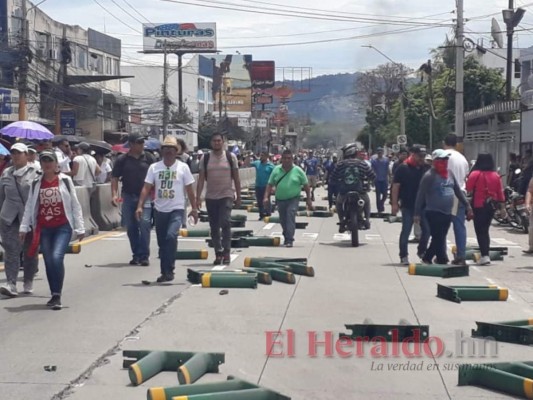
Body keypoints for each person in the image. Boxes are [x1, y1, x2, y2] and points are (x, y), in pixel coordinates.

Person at [19, 150, 85, 310]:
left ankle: (58, 294)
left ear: (56, 164)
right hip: (44, 228)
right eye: (44, 161)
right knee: (48, 261)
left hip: (63, 226)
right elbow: (30, 206)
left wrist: (80, 227)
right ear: (41, 164)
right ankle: (54, 294)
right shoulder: (36, 183)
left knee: (56, 257)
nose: (47, 163)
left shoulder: (66, 181)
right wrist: (23, 227)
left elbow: (75, 205)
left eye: (50, 160)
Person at [136, 136, 198, 282]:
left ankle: (170, 270)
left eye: (172, 149)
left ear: (176, 151)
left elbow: (190, 190)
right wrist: (139, 206)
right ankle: (165, 272)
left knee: (171, 236)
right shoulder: (154, 168)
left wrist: (194, 208)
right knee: (162, 243)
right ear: (162, 151)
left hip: (176, 209)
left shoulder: (183, 167)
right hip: (159, 210)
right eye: (166, 149)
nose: (169, 152)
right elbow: (146, 187)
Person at [414, 149, 473, 265]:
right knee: (438, 236)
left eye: (446, 159)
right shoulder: (429, 176)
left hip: (447, 212)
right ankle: (427, 257)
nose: (444, 162)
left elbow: (457, 191)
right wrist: (416, 214)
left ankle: (441, 258)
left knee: (441, 235)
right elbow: (420, 195)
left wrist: (467, 205)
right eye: (442, 160)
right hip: (433, 211)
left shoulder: (450, 173)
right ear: (435, 161)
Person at [0, 143, 40, 297]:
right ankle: (11, 283)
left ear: (27, 155)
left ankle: (28, 280)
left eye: (19, 153)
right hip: (9, 218)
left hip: (29, 219)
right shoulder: (6, 174)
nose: (16, 156)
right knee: (11, 251)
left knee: (30, 252)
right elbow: (1, 197)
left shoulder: (36, 173)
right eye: (13, 153)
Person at [196, 133, 241, 265]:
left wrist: (238, 196)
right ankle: (218, 252)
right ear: (211, 143)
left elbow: (237, 178)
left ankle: (227, 252)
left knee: (225, 222)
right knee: (214, 227)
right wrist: (198, 198)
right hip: (211, 197)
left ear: (223, 142)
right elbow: (200, 180)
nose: (217, 143)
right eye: (214, 141)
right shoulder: (205, 158)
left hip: (226, 195)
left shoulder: (230, 157)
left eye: (219, 141)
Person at [111, 133, 155, 266]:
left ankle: (144, 255)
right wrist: (114, 195)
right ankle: (136, 254)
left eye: (142, 142)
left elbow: (156, 176)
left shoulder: (149, 158)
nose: (142, 145)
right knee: (131, 227)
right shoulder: (122, 160)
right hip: (128, 196)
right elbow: (114, 178)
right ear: (131, 144)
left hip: (146, 196)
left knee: (145, 224)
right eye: (139, 142)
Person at [263, 149, 312, 247]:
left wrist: (309, 199)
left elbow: (306, 185)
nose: (286, 160)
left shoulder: (298, 170)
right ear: (281, 159)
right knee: (283, 219)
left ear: (292, 159)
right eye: (284, 158)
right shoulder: (276, 170)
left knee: (290, 215)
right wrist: (266, 197)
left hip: (293, 199)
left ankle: (289, 239)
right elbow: (269, 184)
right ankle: (286, 235)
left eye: (289, 158)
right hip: (280, 199)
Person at [391, 145, 430, 265]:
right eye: (419, 156)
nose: (422, 159)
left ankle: (422, 251)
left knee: (427, 231)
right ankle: (403, 255)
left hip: (423, 206)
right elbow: (395, 186)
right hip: (407, 205)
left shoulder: (426, 168)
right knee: (406, 231)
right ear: (413, 154)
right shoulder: (403, 168)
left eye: (423, 156)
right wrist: (394, 204)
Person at [466, 153, 506, 265]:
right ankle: (485, 254)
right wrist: (502, 208)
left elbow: (468, 187)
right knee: (485, 230)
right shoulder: (495, 175)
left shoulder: (475, 174)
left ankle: (485, 255)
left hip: (478, 205)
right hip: (491, 206)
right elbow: (500, 193)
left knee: (480, 231)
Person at [331, 144, 376, 233]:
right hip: (360, 191)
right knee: (366, 202)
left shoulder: (341, 164)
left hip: (344, 191)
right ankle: (367, 220)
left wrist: (333, 182)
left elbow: (333, 177)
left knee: (339, 204)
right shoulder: (362, 163)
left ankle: (341, 221)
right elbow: (372, 175)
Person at [443, 134, 470, 265]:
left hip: (445, 194)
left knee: (441, 225)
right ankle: (461, 255)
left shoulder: (442, 156)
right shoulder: (462, 158)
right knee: (459, 226)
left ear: (444, 143)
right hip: (460, 195)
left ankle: (441, 254)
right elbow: (465, 177)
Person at [252, 149, 274, 220]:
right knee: (259, 201)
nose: (261, 157)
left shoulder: (271, 166)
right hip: (258, 185)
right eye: (260, 155)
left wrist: (273, 186)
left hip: (267, 186)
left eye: (262, 155)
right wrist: (248, 156)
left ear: (266, 156)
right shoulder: (257, 163)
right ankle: (261, 214)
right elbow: (247, 163)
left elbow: (274, 176)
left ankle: (268, 213)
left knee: (266, 200)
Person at [371, 147, 390, 215]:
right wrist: (372, 180)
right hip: (377, 180)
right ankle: (379, 208)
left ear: (382, 152)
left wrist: (390, 177)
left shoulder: (386, 160)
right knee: (378, 195)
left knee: (385, 194)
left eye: (381, 152)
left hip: (384, 179)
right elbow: (372, 170)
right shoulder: (374, 160)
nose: (380, 153)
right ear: (377, 153)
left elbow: (388, 169)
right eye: (378, 152)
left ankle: (381, 203)